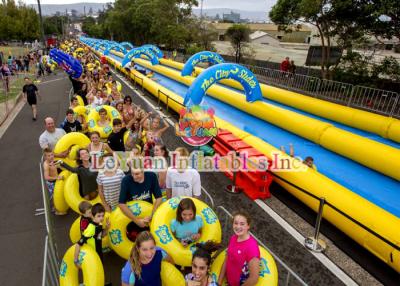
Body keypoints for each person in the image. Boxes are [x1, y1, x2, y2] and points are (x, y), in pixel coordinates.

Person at [217, 211, 260, 286]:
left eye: (242, 224)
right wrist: (219, 282)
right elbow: (227, 259)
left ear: (248, 226)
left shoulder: (252, 248)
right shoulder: (233, 238)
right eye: (235, 223)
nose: (238, 226)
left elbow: (254, 278)